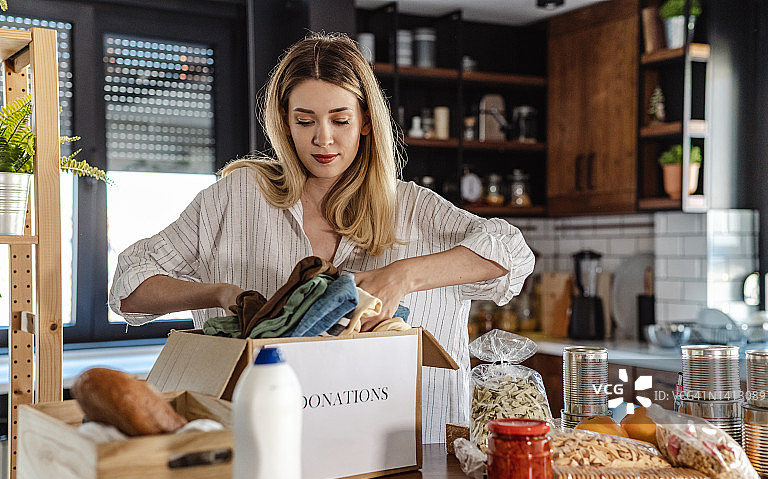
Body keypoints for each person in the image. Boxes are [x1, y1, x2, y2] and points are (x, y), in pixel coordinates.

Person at [108, 32, 535, 443]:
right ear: (284, 123)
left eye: (340, 119)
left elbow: (513, 253)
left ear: (367, 121)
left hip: (412, 458)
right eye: (305, 120)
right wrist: (220, 294)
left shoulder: (413, 207)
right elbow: (128, 287)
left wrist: (404, 276)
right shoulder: (235, 199)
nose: (322, 139)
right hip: (259, 447)